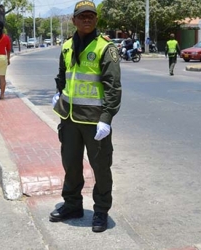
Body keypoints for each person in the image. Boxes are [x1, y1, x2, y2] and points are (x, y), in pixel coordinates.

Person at [50, 0, 122, 233]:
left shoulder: (105, 48)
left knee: (100, 167)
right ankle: (72, 205)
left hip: (94, 120)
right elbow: (63, 75)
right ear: (74, 20)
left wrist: (107, 118)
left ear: (96, 19)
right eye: (82, 16)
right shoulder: (67, 46)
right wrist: (59, 95)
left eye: (91, 15)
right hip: (69, 118)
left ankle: (101, 210)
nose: (87, 19)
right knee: (70, 164)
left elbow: (113, 87)